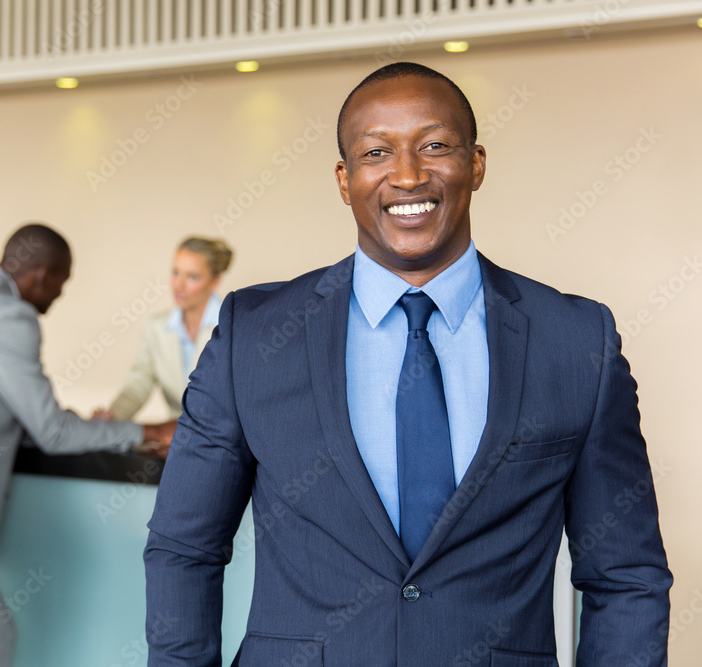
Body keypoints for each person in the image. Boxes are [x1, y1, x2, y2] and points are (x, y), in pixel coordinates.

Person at [144, 63, 672, 665]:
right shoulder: (254, 334)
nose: (407, 174)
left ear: (475, 163)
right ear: (345, 180)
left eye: (435, 146)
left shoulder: (577, 340)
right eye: (376, 152)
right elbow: (184, 549)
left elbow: (626, 577)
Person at [0, 223, 177, 667]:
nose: (60, 295)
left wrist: (85, 426)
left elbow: (14, 413)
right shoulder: (7, 315)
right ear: (44, 275)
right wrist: (150, 433)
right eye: (62, 281)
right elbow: (50, 431)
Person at [105, 237, 233, 420]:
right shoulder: (156, 328)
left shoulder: (233, 327)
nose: (179, 285)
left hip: (225, 437)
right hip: (177, 434)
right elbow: (138, 383)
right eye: (176, 273)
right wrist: (112, 416)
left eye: (192, 277)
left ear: (215, 281)